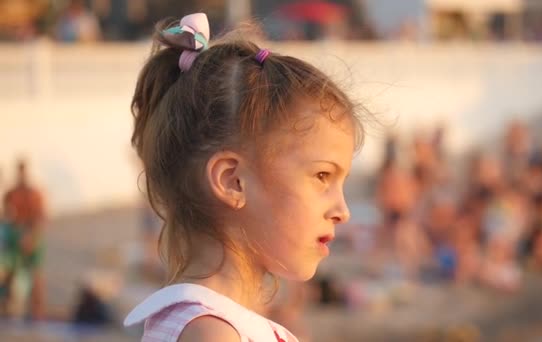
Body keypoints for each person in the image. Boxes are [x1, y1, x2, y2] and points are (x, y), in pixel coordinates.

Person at [123, 13, 365, 342]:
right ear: (232, 180)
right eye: (322, 175)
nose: (342, 210)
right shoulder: (213, 333)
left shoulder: (213, 323)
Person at [3, 160, 46, 319]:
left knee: (35, 277)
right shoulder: (11, 193)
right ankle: (10, 311)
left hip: (32, 238)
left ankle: (36, 315)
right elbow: (7, 216)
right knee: (11, 273)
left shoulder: (34, 193)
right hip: (16, 238)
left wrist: (31, 237)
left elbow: (41, 218)